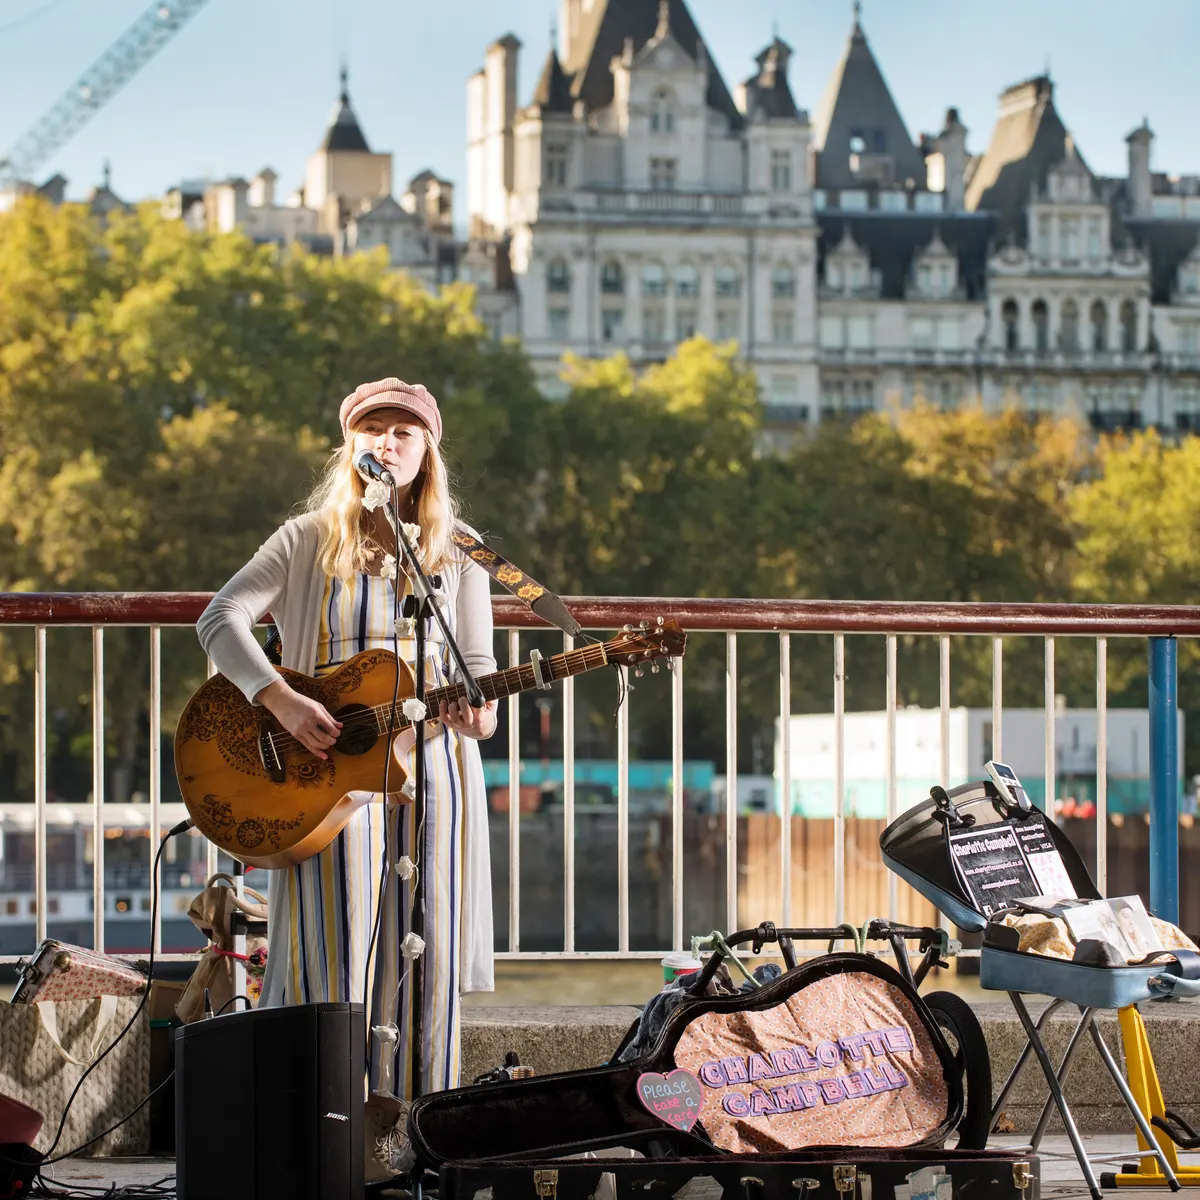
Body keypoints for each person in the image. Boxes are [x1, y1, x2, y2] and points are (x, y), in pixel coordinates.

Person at [197, 378, 498, 1181]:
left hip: (435, 772)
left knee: (427, 956)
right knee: (338, 956)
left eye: (406, 431)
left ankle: (422, 1147)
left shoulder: (460, 548)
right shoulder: (305, 539)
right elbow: (218, 618)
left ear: (429, 450)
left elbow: (478, 669)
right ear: (351, 447)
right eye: (375, 428)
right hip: (326, 774)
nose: (390, 442)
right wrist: (281, 699)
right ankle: (329, 1145)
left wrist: (481, 712)